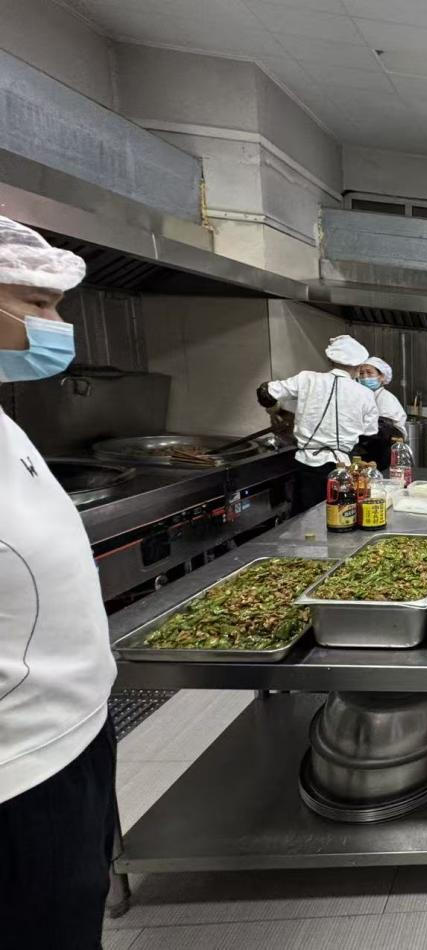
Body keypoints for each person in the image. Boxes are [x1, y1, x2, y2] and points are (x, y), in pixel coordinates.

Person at [0, 217, 119, 948]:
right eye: (37, 304)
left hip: (67, 735)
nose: (55, 325)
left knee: (75, 909)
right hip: (16, 770)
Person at [257, 334, 379, 512]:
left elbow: (264, 392)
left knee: (304, 521)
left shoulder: (307, 379)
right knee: (339, 517)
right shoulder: (365, 394)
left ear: (330, 360)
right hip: (343, 469)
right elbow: (370, 433)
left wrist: (274, 409)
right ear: (359, 366)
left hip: (306, 465)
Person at [356, 356, 408, 472]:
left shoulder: (387, 399)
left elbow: (385, 428)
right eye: (361, 373)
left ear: (382, 377)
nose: (364, 377)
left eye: (369, 373)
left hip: (383, 451)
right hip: (368, 449)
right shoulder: (363, 396)